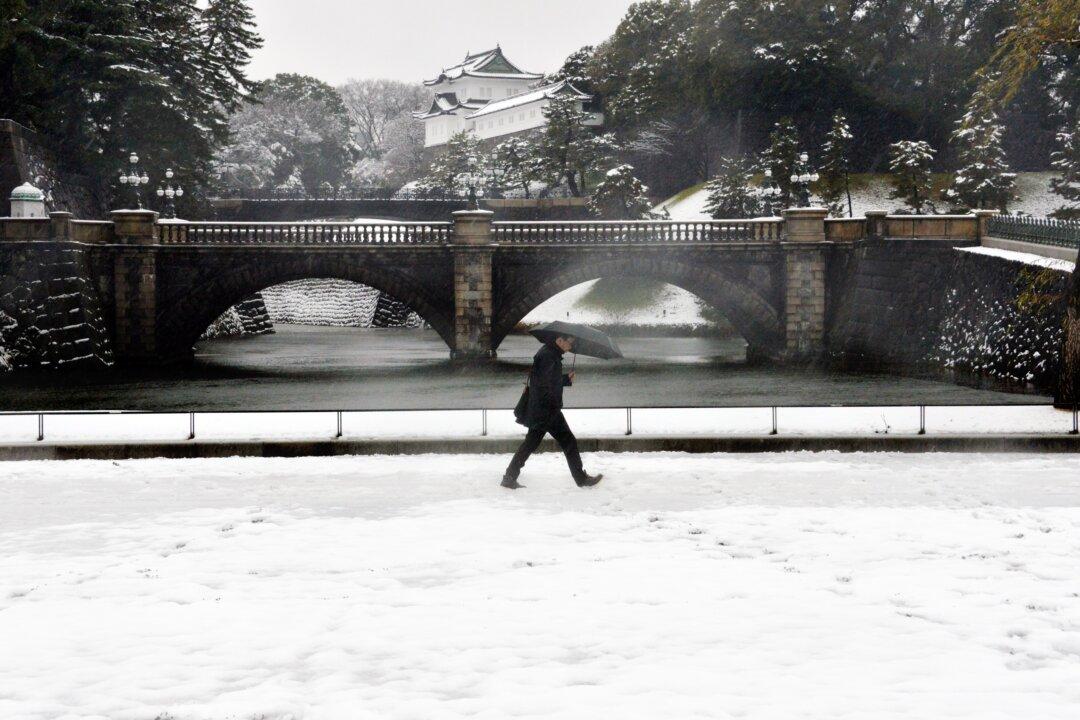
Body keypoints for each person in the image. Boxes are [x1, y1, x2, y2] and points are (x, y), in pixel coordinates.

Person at [502, 335, 603, 489]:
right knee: (568, 442)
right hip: (547, 410)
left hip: (542, 409)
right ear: (559, 340)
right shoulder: (549, 356)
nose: (571, 346)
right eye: (570, 342)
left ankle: (509, 477)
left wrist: (565, 379)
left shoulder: (549, 354)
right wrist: (554, 403)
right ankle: (581, 479)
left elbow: (547, 380)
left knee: (530, 444)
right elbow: (544, 385)